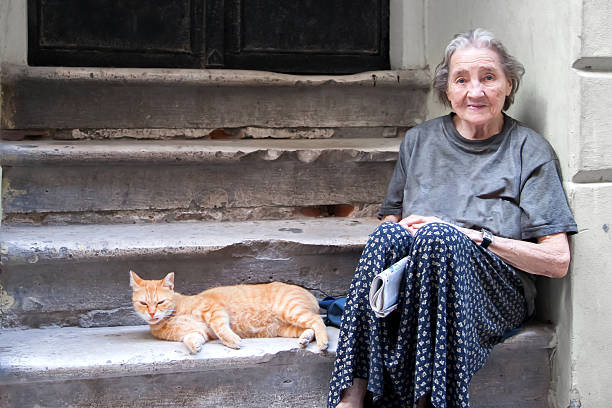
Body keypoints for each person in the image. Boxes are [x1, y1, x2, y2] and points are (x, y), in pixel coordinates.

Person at [328, 28, 577, 408]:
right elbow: (388, 220)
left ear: (509, 85)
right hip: (419, 282)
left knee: (439, 239)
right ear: (447, 89)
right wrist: (399, 233)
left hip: (495, 289)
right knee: (387, 239)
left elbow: (557, 261)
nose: (474, 92)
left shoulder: (529, 149)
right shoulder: (419, 141)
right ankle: (351, 398)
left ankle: (432, 401)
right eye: (461, 79)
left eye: (488, 78)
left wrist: (474, 237)